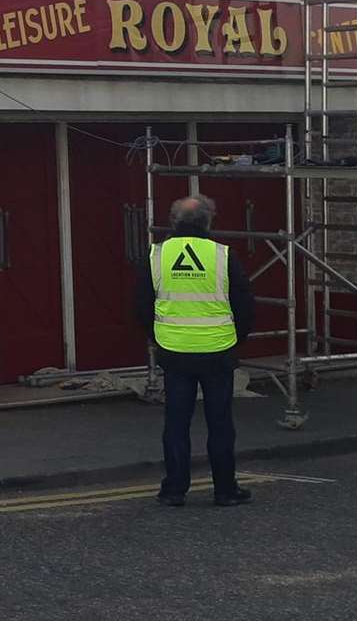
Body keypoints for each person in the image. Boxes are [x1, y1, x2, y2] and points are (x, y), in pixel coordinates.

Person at [136, 194, 256, 508]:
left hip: (174, 350)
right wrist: (237, 337)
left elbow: (141, 303)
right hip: (218, 349)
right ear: (209, 221)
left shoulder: (157, 255)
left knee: (176, 422)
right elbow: (243, 301)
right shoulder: (221, 255)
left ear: (173, 221)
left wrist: (155, 336)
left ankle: (174, 490)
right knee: (220, 422)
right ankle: (225, 490)